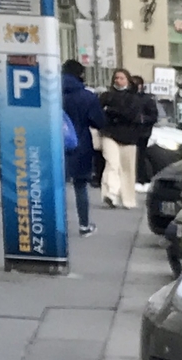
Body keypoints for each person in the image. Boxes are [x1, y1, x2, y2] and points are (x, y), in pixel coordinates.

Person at [98, 69, 157, 212]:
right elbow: (99, 113)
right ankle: (111, 194)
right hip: (109, 134)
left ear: (128, 80)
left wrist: (111, 112)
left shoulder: (135, 98)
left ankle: (128, 199)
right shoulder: (106, 96)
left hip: (129, 137)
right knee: (112, 164)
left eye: (121, 78)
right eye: (116, 78)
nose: (118, 80)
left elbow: (131, 114)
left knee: (127, 169)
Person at [59, 58, 106, 236]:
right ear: (81, 74)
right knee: (80, 186)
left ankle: (56, 225)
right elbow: (99, 121)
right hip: (80, 144)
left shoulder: (50, 93)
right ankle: (84, 225)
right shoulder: (87, 96)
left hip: (54, 144)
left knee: (57, 185)